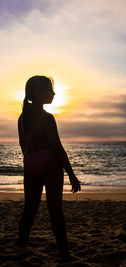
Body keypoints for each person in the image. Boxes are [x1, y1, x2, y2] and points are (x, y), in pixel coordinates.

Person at [18, 75, 81, 262]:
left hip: (30, 164)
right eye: (50, 90)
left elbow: (24, 147)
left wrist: (31, 163)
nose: (54, 93)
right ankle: (64, 254)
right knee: (55, 211)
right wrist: (71, 174)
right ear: (38, 94)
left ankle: (21, 245)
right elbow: (57, 148)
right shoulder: (47, 118)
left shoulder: (23, 117)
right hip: (49, 164)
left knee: (29, 209)